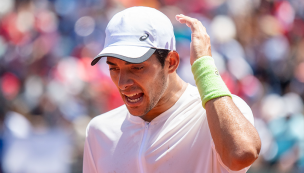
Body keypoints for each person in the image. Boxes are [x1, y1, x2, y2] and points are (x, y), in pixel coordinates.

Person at [83, 6, 261, 173]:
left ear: (171, 62)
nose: (122, 83)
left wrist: (204, 67)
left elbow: (241, 154)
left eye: (136, 67)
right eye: (114, 68)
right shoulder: (99, 131)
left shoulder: (218, 114)